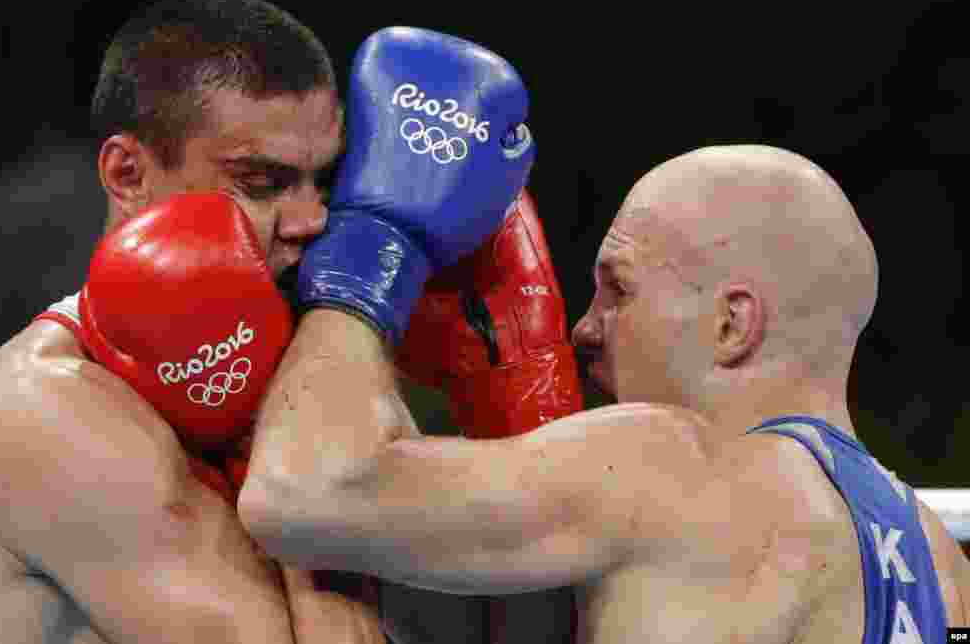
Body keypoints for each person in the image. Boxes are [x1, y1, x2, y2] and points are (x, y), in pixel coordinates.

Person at [236, 142, 970, 642]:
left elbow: (300, 494)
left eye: (618, 290)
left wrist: (376, 249)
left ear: (730, 323)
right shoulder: (944, 564)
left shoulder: (671, 465)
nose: (582, 329)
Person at [0, 0, 386, 643]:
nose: (311, 220)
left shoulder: (288, 354)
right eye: (262, 183)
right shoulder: (42, 412)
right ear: (127, 174)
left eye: (321, 182)